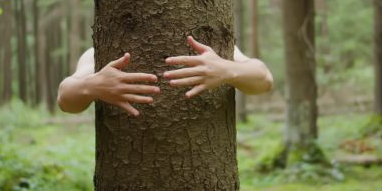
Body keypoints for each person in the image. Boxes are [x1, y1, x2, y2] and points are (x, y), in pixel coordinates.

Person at [57, 36, 273, 115]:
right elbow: (65, 98)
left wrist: (227, 69)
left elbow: (264, 79)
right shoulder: (100, 53)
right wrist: (91, 86)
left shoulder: (209, 52)